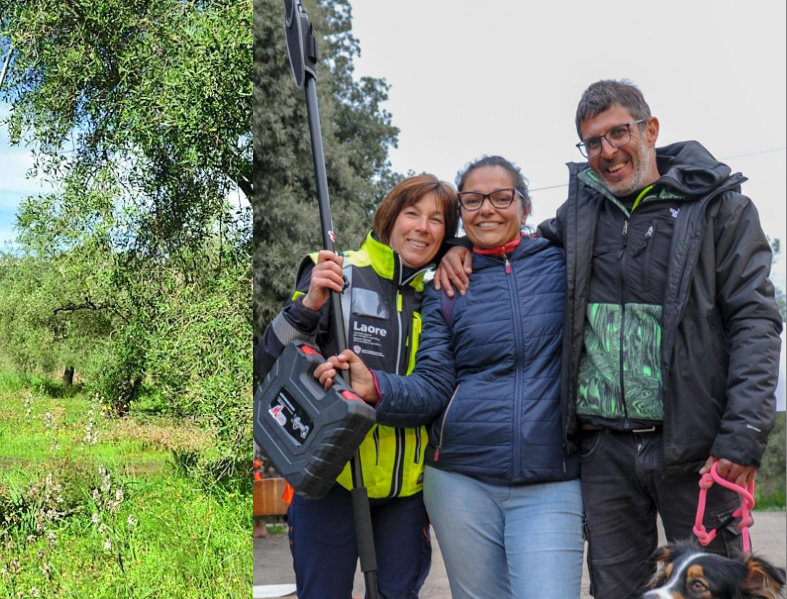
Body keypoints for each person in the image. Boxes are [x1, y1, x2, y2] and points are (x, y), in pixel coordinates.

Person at [434, 80, 783, 599]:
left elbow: (756, 321)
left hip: (696, 446)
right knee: (616, 590)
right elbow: (510, 242)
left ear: (650, 130)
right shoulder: (580, 215)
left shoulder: (722, 209)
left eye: (618, 133)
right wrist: (458, 246)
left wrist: (744, 433)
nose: (607, 151)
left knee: (716, 586)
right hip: (605, 453)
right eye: (592, 142)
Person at [318, 156, 585, 599]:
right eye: (474, 200)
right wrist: (377, 387)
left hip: (550, 481)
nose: (488, 209)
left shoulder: (561, 264)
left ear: (525, 206)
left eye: (502, 197)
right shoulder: (444, 288)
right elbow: (434, 386)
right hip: (461, 481)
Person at [254, 173, 459, 599]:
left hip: (406, 495)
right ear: (389, 217)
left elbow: (434, 391)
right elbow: (267, 363)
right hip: (330, 482)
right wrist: (307, 309)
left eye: (437, 220)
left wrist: (371, 386)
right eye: (412, 213)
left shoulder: (441, 294)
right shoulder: (333, 272)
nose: (423, 227)